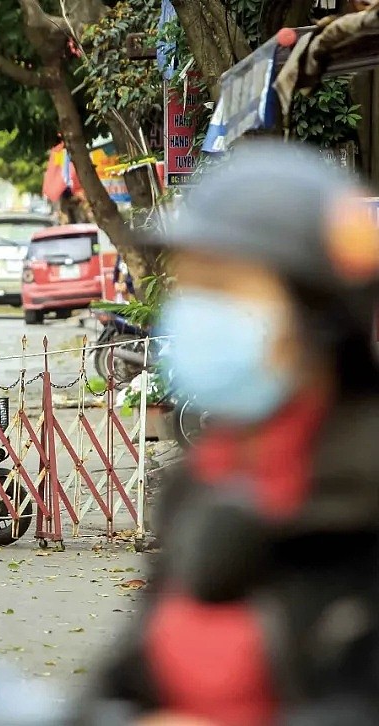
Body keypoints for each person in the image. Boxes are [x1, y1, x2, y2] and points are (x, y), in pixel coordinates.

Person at [81, 141, 379, 725]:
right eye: (189, 288)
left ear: (318, 312)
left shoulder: (364, 493)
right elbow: (123, 682)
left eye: (223, 288)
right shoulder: (204, 483)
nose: (195, 314)